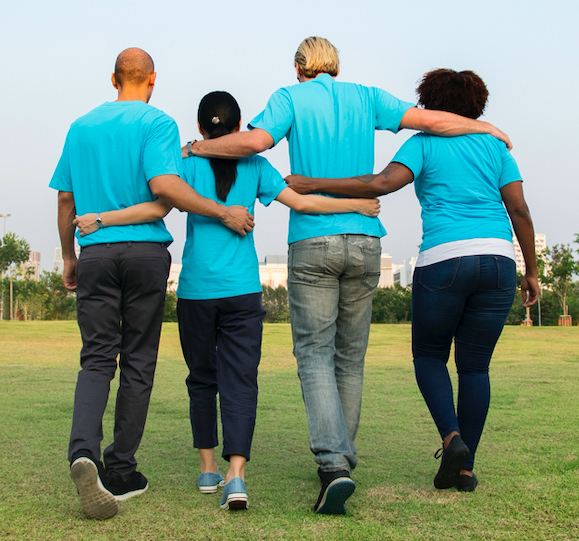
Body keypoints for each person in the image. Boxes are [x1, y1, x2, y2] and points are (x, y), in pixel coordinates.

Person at [184, 37, 512, 514]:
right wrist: (486, 127)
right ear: (335, 64)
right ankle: (342, 459)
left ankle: (333, 465)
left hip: (313, 240)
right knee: (350, 357)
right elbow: (432, 119)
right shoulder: (369, 96)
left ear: (300, 65)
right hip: (366, 240)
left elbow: (255, 142)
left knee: (314, 354)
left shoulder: (289, 98)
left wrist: (198, 146)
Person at [73, 91, 380, 511]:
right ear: (238, 130)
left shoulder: (182, 163)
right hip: (242, 292)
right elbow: (304, 203)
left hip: (196, 291)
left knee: (201, 380)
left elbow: (154, 204)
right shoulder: (255, 165)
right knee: (241, 381)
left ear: (201, 128)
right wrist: (358, 206)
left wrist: (101, 218)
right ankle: (236, 477)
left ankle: (207, 468)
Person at [285, 68, 539, 493]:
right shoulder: (496, 148)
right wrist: (530, 270)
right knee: (475, 367)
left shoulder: (423, 144)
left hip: (445, 260)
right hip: (498, 261)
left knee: (429, 357)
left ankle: (451, 438)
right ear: (478, 105)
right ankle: (464, 468)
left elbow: (380, 184)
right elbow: (521, 211)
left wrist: (314, 183)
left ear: (431, 103)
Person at [49, 49, 253, 520]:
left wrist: (67, 253)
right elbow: (164, 188)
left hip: (95, 252)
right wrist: (222, 211)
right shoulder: (158, 123)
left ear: (114, 78)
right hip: (144, 254)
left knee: (97, 357)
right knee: (138, 361)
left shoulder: (80, 127)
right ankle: (121, 470)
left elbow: (65, 198)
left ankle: (84, 452)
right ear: (153, 80)